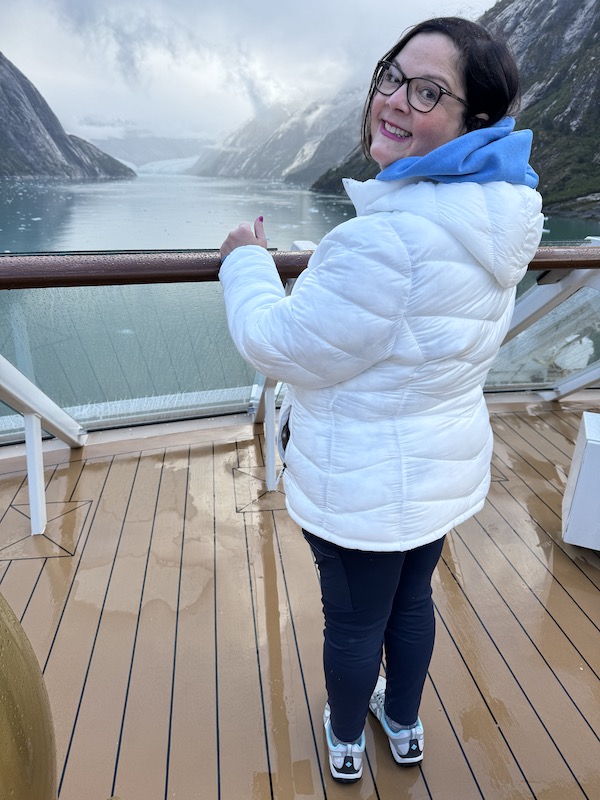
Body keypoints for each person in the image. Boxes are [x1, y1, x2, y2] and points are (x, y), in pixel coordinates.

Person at [219, 16, 544, 783]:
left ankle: (340, 738)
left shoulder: (389, 242)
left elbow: (279, 342)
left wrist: (245, 264)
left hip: (360, 480)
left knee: (356, 622)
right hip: (438, 468)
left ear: (476, 121)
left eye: (428, 91)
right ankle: (402, 723)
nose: (394, 101)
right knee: (410, 602)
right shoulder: (496, 216)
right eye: (392, 77)